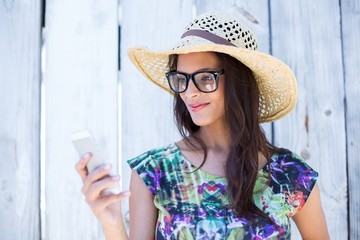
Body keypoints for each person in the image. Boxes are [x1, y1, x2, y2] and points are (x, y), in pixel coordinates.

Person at [75, 12, 329, 239]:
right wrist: (112, 225)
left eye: (206, 78)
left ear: (240, 82)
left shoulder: (292, 175)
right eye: (181, 79)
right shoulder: (154, 171)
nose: (189, 92)